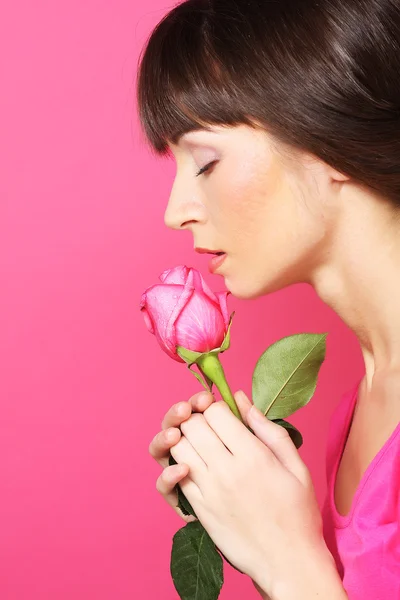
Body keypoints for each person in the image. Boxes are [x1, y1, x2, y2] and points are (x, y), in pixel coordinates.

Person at [136, 0, 400, 598]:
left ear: (326, 140)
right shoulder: (362, 405)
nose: (176, 212)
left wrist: (287, 559)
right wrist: (250, 514)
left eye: (204, 162)